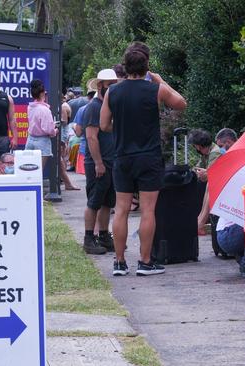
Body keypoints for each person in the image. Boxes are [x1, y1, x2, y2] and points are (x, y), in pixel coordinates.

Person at [101, 42, 187, 276]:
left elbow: (103, 125)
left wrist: (121, 130)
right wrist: (160, 80)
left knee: (121, 210)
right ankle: (145, 261)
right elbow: (181, 104)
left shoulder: (112, 91)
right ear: (147, 66)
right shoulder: (154, 89)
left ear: (125, 67)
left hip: (122, 157)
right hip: (148, 157)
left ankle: (119, 262)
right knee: (148, 211)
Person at [80, 69, 119, 255]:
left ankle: (104, 235)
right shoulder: (94, 107)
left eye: (114, 84)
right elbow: (91, 138)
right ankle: (89, 238)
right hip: (99, 163)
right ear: (101, 85)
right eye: (110, 84)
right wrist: (98, 163)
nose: (113, 88)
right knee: (94, 201)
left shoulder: (108, 107)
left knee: (107, 202)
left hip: (110, 162)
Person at [188, 128, 225, 234]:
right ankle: (199, 220)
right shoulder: (207, 153)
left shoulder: (215, 153)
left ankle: (201, 222)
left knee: (211, 183)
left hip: (220, 183)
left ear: (198, 146)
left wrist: (205, 173)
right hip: (217, 181)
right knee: (207, 183)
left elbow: (211, 174)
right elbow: (199, 168)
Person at [24, 79, 57, 169]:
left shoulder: (30, 107)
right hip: (42, 141)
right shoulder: (45, 109)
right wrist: (55, 131)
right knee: (38, 171)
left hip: (30, 139)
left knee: (27, 169)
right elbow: (49, 130)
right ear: (42, 94)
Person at [73, 89, 97, 175]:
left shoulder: (82, 110)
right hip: (105, 150)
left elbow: (78, 133)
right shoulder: (106, 107)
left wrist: (74, 127)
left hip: (85, 149)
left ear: (88, 97)